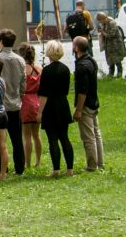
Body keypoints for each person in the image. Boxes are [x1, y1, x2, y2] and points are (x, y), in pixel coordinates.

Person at [0, 29, 26, 176]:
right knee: (17, 139)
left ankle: (2, 168)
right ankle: (20, 167)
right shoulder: (20, 60)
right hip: (15, 104)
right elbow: (23, 83)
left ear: (1, 42)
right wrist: (19, 95)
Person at [38, 40, 74, 177]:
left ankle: (56, 170)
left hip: (50, 106)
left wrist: (40, 112)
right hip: (63, 104)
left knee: (52, 138)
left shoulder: (46, 71)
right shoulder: (66, 69)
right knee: (65, 137)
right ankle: (70, 169)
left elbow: (43, 94)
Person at [73, 36, 104, 171]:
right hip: (94, 102)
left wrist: (79, 109)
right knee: (96, 134)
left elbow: (82, 91)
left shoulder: (81, 66)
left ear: (76, 48)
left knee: (88, 137)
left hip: (85, 105)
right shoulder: (91, 61)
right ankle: (100, 163)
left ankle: (92, 165)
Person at [18, 43, 42, 169]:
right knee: (36, 135)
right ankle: (38, 161)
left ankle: (27, 163)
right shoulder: (38, 68)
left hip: (25, 101)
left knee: (26, 136)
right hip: (37, 101)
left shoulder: (22, 69)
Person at [96, 12, 126, 78]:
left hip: (115, 45)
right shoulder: (104, 24)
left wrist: (103, 32)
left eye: (100, 21)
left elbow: (111, 34)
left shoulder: (111, 23)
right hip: (109, 45)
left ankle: (119, 74)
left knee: (117, 60)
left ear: (103, 19)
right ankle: (111, 74)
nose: (100, 23)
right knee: (110, 61)